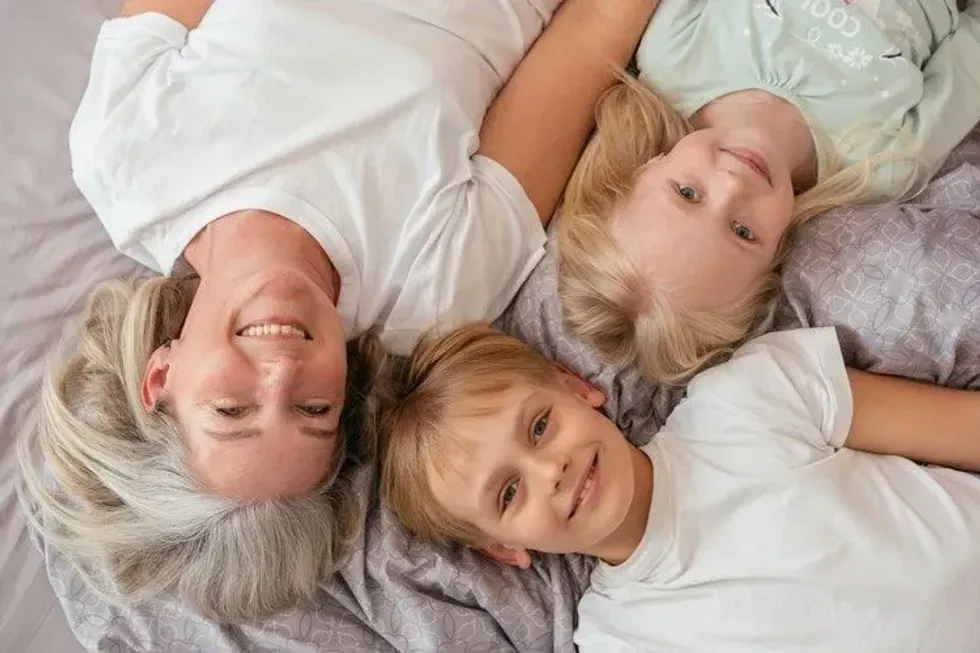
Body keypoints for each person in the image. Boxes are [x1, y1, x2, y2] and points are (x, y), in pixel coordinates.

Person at [17, 0, 663, 623]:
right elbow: (594, 26)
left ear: (161, 377)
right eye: (313, 410)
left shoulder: (124, 155)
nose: (280, 370)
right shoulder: (435, 286)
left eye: (232, 409)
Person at [376, 322, 980, 652]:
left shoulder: (747, 398)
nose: (549, 471)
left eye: (539, 427)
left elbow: (965, 430)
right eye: (508, 494)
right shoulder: (620, 641)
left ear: (574, 386)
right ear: (502, 549)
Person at [557, 0, 980, 383]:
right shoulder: (881, 165)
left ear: (643, 168)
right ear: (777, 254)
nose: (732, 185)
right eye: (742, 232)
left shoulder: (674, 57)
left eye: (687, 193)